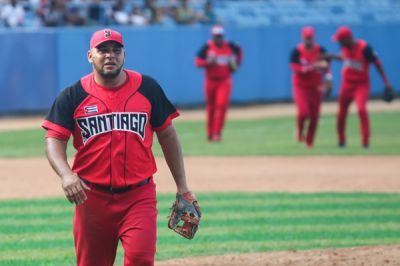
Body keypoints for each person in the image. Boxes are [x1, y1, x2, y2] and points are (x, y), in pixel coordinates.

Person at [42, 28, 199, 265]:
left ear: (124, 55)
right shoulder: (72, 95)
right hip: (90, 198)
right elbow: (54, 139)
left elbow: (167, 135)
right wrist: (66, 175)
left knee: (140, 258)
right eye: (102, 50)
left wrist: (183, 187)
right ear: (89, 56)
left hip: (139, 196)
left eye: (116, 50)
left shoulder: (147, 88)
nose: (110, 55)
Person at [329, 26, 393, 148]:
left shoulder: (365, 48)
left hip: (361, 85)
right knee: (341, 113)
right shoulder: (344, 46)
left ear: (347, 38)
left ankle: (365, 142)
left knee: (362, 110)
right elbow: (344, 58)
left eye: (340, 40)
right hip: (346, 84)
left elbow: (377, 64)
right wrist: (331, 56)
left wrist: (386, 82)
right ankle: (341, 140)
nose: (339, 42)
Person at [195, 25, 242, 142]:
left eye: (220, 36)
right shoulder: (207, 47)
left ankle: (217, 133)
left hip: (224, 80)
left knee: (221, 105)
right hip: (210, 80)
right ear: (213, 36)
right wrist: (207, 62)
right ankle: (210, 133)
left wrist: (236, 63)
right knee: (210, 107)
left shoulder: (231, 46)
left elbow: (240, 52)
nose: (218, 39)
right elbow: (197, 62)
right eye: (216, 36)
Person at [289, 26, 332, 148]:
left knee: (314, 116)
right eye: (306, 38)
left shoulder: (321, 50)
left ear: (314, 37)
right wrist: (312, 67)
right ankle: (299, 131)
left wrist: (328, 78)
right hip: (301, 86)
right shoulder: (296, 51)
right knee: (303, 112)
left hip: (316, 87)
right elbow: (295, 68)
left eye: (310, 38)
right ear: (302, 38)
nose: (309, 40)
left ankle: (309, 142)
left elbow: (327, 68)